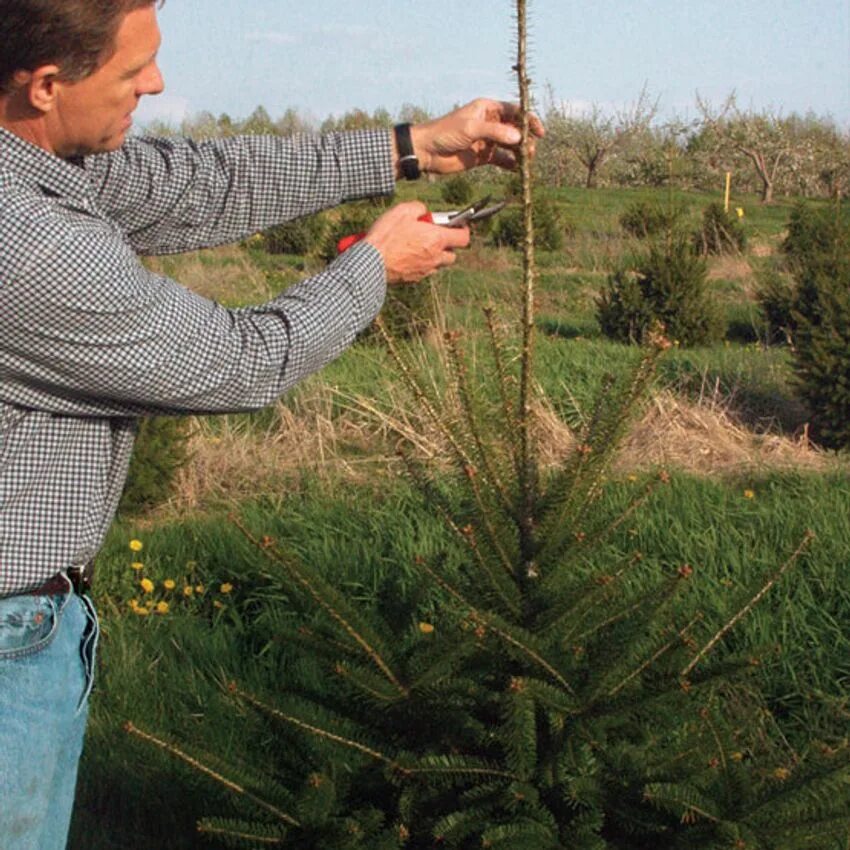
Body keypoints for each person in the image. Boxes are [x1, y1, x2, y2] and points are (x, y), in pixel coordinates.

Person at [0, 0, 544, 847]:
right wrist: (373, 267)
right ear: (44, 86)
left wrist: (412, 148)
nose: (157, 82)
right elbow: (238, 360)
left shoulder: (30, 163)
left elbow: (198, 182)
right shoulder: (30, 242)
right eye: (131, 70)